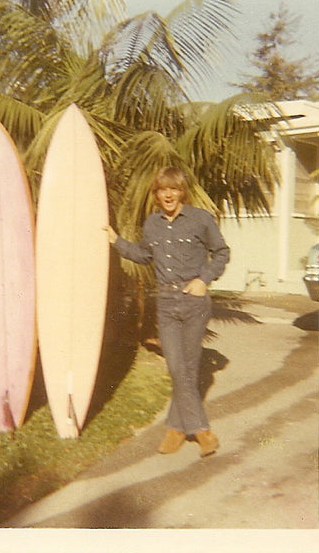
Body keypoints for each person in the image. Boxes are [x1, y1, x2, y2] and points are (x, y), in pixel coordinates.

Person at [105, 166, 229, 457]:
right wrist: (115, 241)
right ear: (157, 194)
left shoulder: (200, 219)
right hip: (166, 303)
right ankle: (200, 430)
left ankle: (176, 430)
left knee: (186, 367)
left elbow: (222, 252)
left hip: (194, 301)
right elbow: (144, 255)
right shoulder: (152, 224)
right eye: (163, 190)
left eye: (173, 189)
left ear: (181, 191)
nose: (168, 195)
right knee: (177, 367)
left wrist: (204, 279)